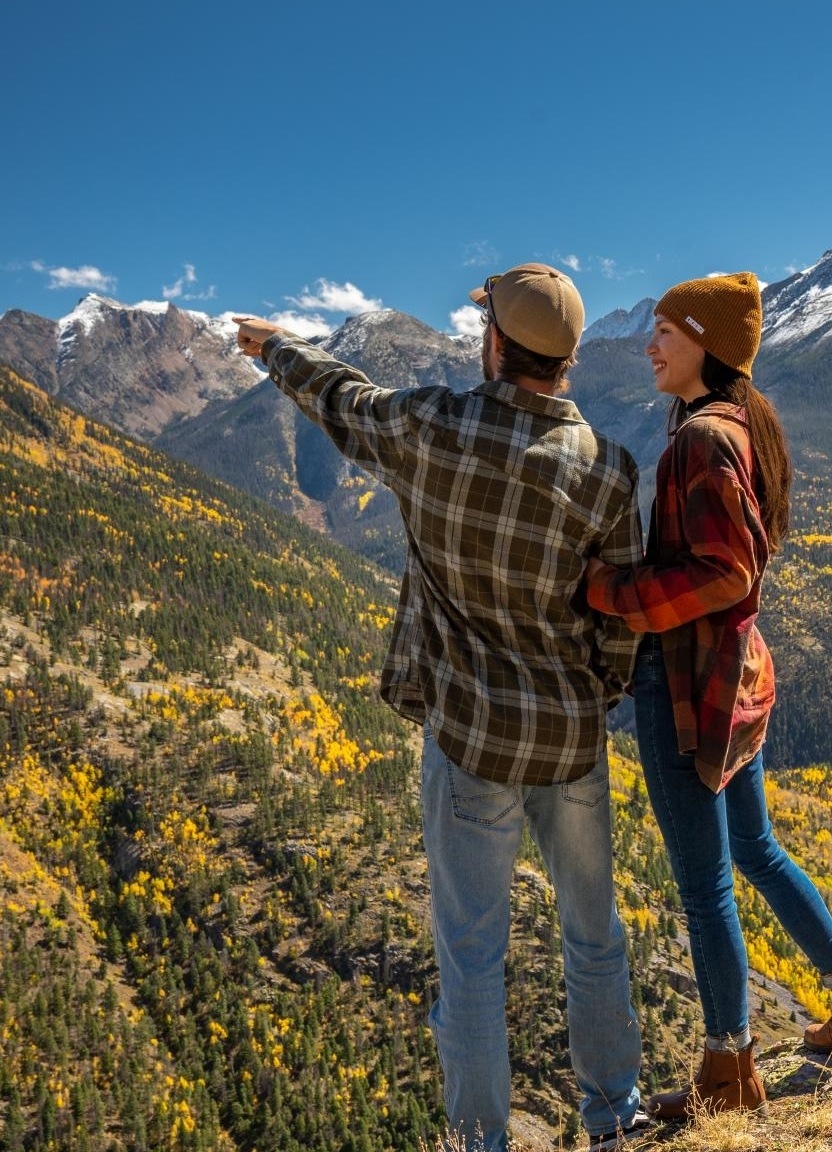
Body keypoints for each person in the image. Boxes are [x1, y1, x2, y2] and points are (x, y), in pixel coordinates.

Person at [235, 262, 649, 1151]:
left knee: (472, 959)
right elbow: (619, 625)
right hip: (571, 740)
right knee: (594, 935)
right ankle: (617, 1115)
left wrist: (276, 349)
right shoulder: (609, 471)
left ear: (496, 343)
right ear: (568, 358)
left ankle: (480, 1142)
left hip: (468, 738)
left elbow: (343, 400)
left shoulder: (434, 429)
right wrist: (595, 700)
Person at [584, 272, 832, 1120]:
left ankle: (729, 1069)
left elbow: (726, 571)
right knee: (755, 850)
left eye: (666, 334)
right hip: (734, 674)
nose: (650, 347)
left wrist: (613, 592)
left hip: (686, 683)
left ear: (706, 345)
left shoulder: (699, 442)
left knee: (705, 884)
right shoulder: (741, 422)